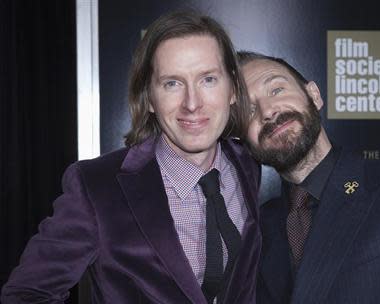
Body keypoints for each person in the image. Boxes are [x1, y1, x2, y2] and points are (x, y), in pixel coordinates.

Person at [1, 12, 261, 304]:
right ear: (149, 97)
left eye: (208, 79)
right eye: (172, 83)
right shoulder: (96, 187)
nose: (192, 103)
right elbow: (26, 294)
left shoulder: (248, 164)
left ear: (233, 89)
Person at [237, 51, 380, 304]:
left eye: (276, 90)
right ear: (243, 139)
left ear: (313, 95)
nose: (268, 111)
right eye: (248, 111)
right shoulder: (257, 229)